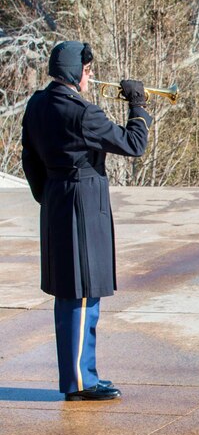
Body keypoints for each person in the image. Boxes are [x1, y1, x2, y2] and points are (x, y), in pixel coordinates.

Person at [21, 41, 151, 401]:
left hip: (58, 201)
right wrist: (137, 106)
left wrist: (46, 194)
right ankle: (80, 380)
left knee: (73, 293)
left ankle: (84, 374)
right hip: (81, 204)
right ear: (74, 72)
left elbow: (28, 158)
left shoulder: (37, 104)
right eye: (88, 70)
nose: (90, 77)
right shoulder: (82, 111)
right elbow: (133, 144)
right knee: (81, 295)